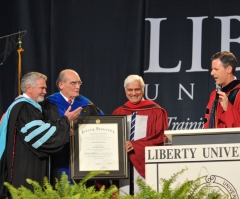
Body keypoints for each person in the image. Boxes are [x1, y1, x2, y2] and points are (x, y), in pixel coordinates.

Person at [0, 72, 82, 198]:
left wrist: (63, 127)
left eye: (45, 88)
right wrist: (65, 121)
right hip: (26, 169)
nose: (45, 92)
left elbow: (41, 128)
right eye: (41, 88)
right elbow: (41, 137)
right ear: (28, 88)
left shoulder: (24, 107)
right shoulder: (24, 107)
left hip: (24, 165)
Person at [40, 69, 105, 186]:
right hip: (59, 157)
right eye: (73, 83)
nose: (77, 87)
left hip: (84, 157)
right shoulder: (48, 104)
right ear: (61, 84)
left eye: (79, 83)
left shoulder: (87, 104)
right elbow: (41, 129)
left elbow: (103, 123)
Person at [112, 74, 168, 195]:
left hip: (144, 162)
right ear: (125, 90)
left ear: (143, 89)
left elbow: (160, 137)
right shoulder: (118, 112)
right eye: (130, 90)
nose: (133, 93)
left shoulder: (156, 111)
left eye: (137, 89)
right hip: (123, 164)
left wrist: (136, 145)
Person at [204, 51, 240, 128]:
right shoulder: (214, 94)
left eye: (216, 69)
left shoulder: (238, 93)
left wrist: (227, 107)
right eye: (212, 69)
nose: (212, 73)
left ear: (228, 69)